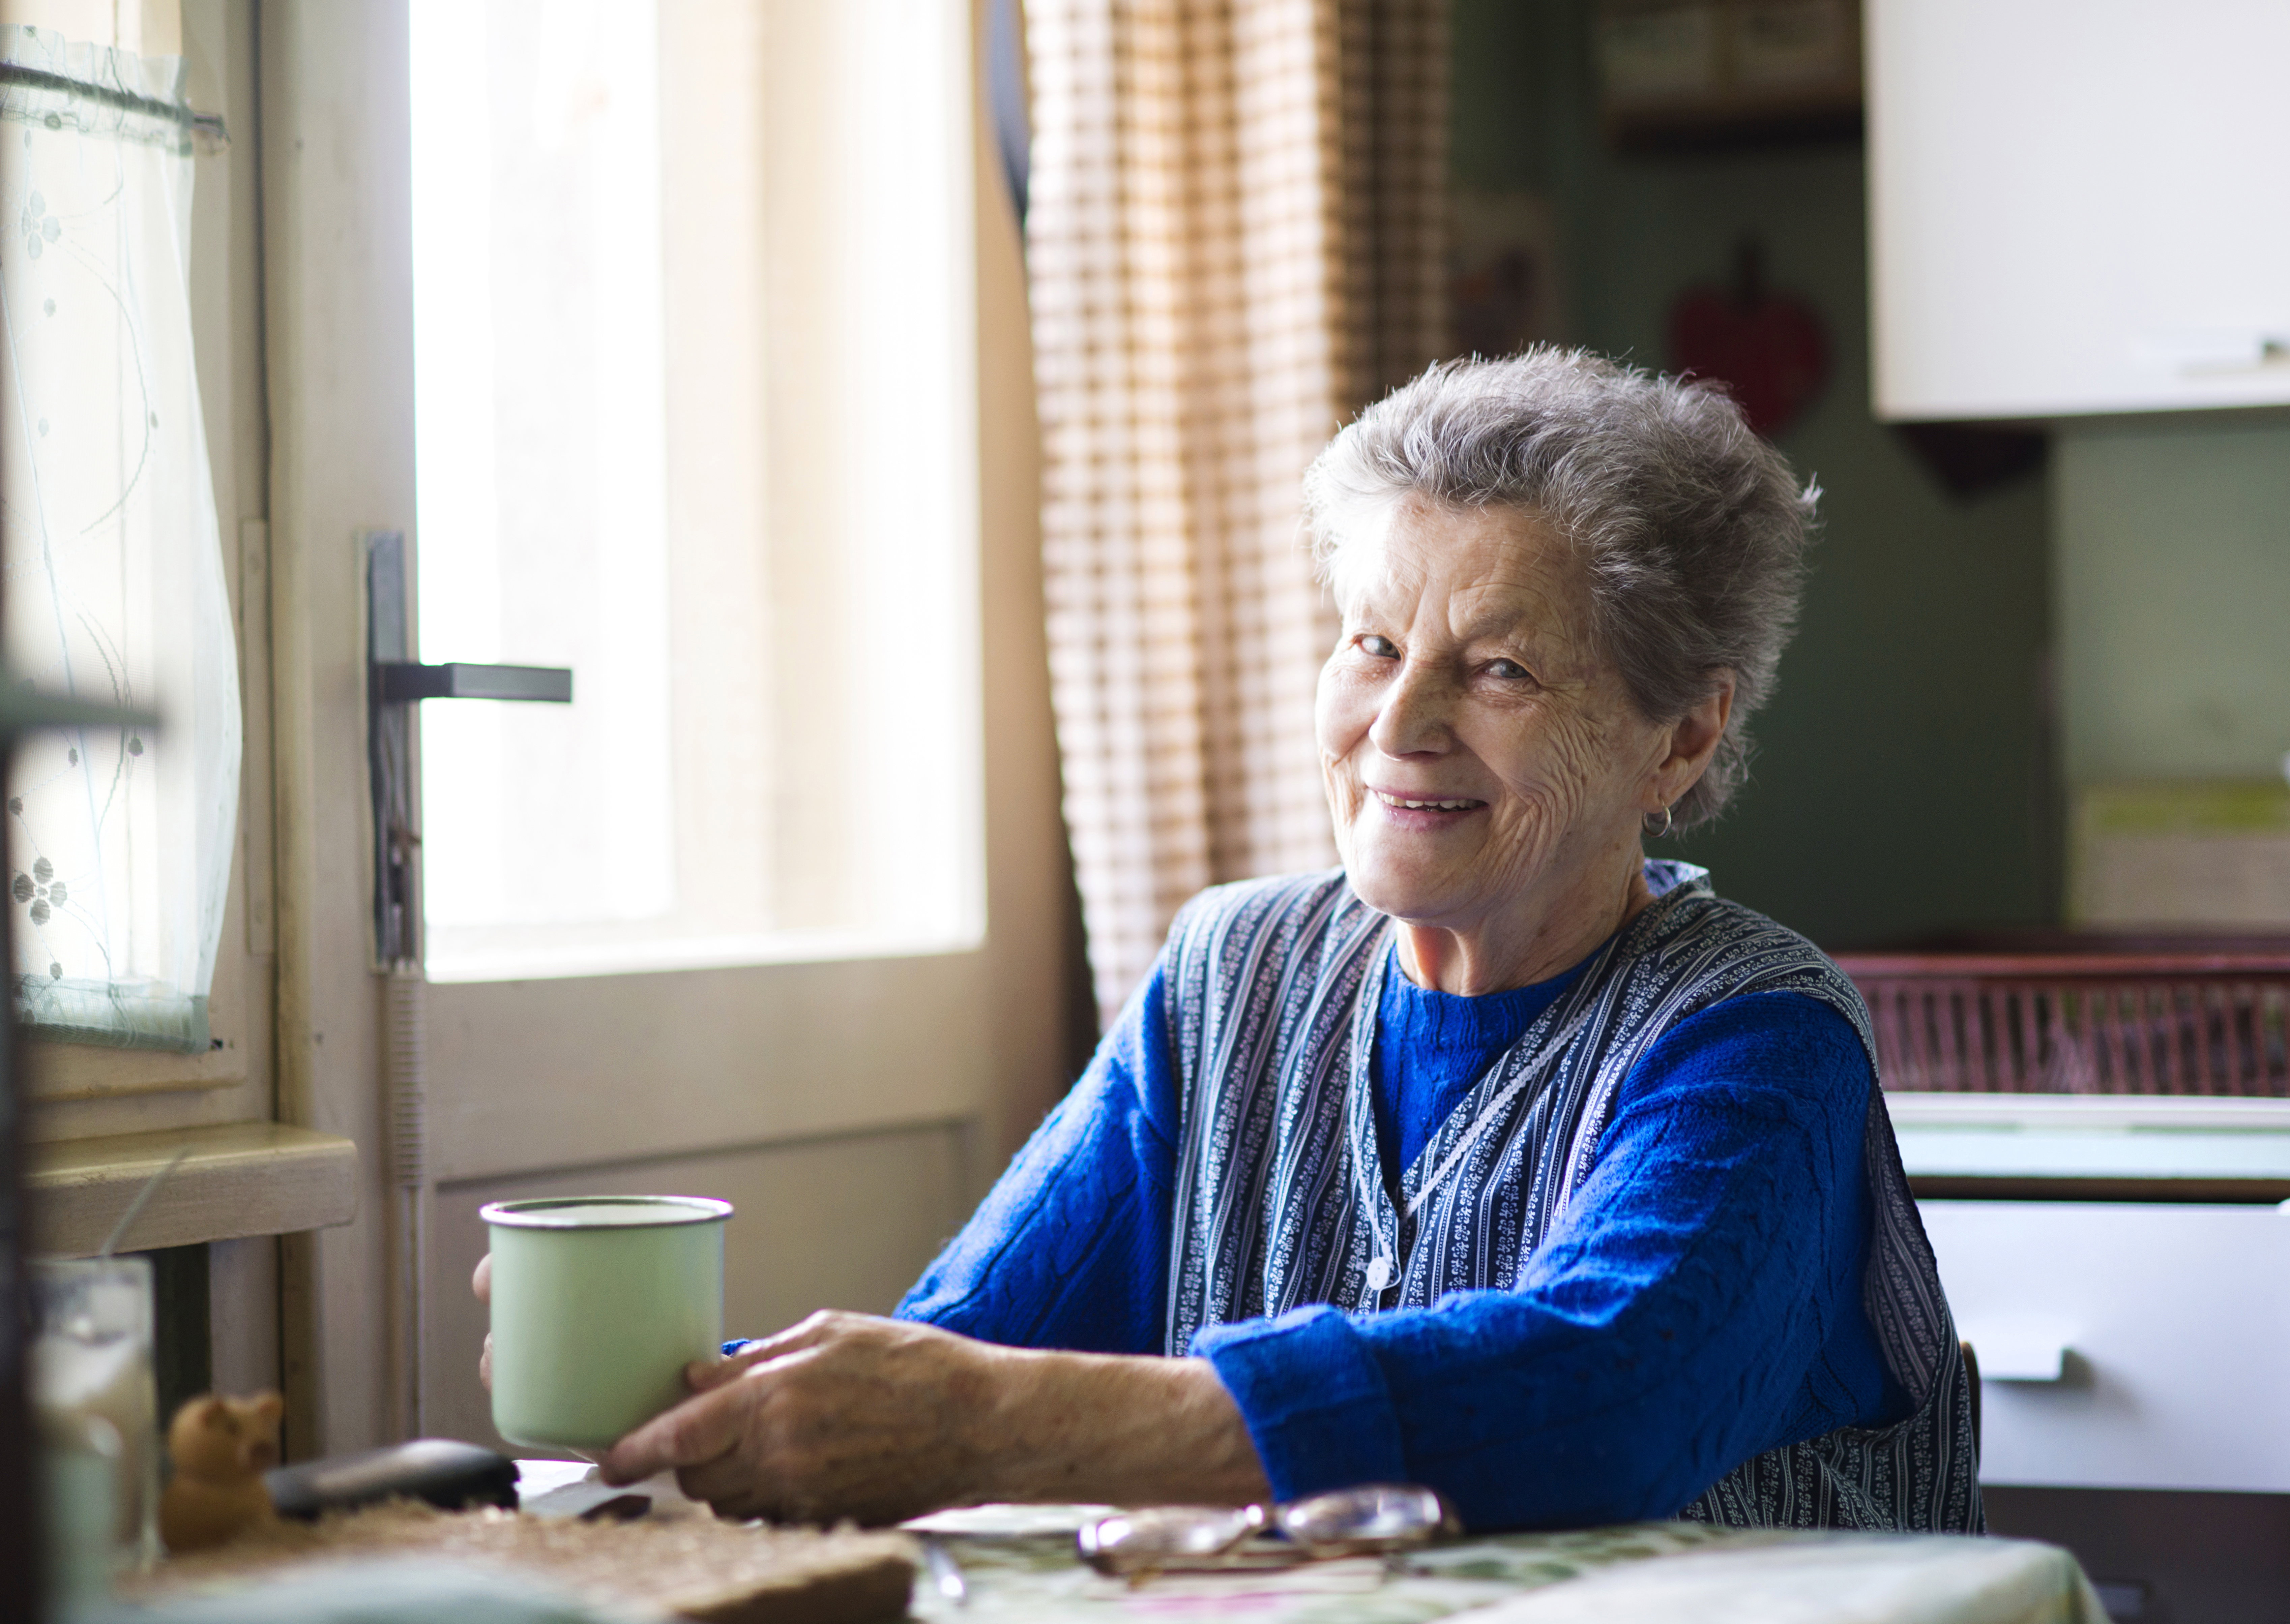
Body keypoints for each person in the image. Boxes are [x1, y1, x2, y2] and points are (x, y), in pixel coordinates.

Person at [480, 349, 1981, 1534]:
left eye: (1500, 667)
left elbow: (1602, 1393)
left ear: (1683, 734)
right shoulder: (1231, 973)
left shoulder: (1757, 1035)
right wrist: (676, 1393)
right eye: (1372, 644)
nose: (1399, 727)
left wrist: (1003, 1422)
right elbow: (961, 1347)